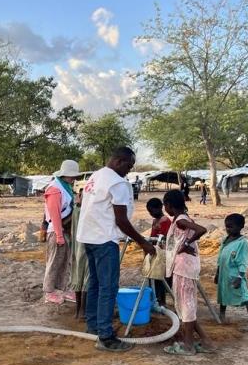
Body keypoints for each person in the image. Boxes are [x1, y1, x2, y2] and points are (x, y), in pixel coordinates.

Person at [76, 146, 155, 352]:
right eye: (128, 166)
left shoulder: (97, 175)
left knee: (95, 283)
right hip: (104, 239)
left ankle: (93, 325)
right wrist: (143, 242)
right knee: (108, 287)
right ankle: (105, 336)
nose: (129, 170)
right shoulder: (117, 183)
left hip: (89, 237)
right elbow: (121, 220)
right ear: (119, 161)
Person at [162, 190, 215, 355]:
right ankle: (206, 341)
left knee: (187, 307)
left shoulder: (181, 220)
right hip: (185, 267)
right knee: (186, 307)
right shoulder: (181, 219)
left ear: (169, 205)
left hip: (184, 268)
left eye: (165, 205)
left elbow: (201, 229)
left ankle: (188, 345)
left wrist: (186, 243)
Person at [42, 160, 80, 304]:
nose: (74, 179)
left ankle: (63, 288)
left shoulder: (66, 187)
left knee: (65, 261)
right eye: (72, 176)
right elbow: (55, 214)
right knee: (54, 261)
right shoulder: (55, 189)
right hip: (57, 229)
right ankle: (49, 291)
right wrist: (58, 235)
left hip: (66, 229)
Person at [216, 213, 248, 332]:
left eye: (231, 227)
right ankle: (222, 315)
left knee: (245, 296)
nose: (228, 229)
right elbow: (220, 257)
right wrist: (217, 272)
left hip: (235, 275)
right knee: (223, 293)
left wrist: (240, 276)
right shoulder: (225, 240)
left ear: (240, 227)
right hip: (224, 274)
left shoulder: (242, 243)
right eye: (227, 227)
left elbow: (243, 261)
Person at [146, 198, 172, 306]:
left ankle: (162, 302)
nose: (151, 214)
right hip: (155, 252)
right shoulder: (155, 220)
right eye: (149, 212)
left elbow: (164, 238)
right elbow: (153, 236)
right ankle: (156, 300)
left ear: (160, 208)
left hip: (163, 253)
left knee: (161, 279)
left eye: (152, 211)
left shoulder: (165, 220)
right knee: (154, 278)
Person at [69, 187, 89, 319]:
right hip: (86, 247)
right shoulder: (85, 211)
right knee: (86, 277)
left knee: (77, 276)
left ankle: (78, 310)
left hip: (76, 248)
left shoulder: (75, 210)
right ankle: (82, 310)